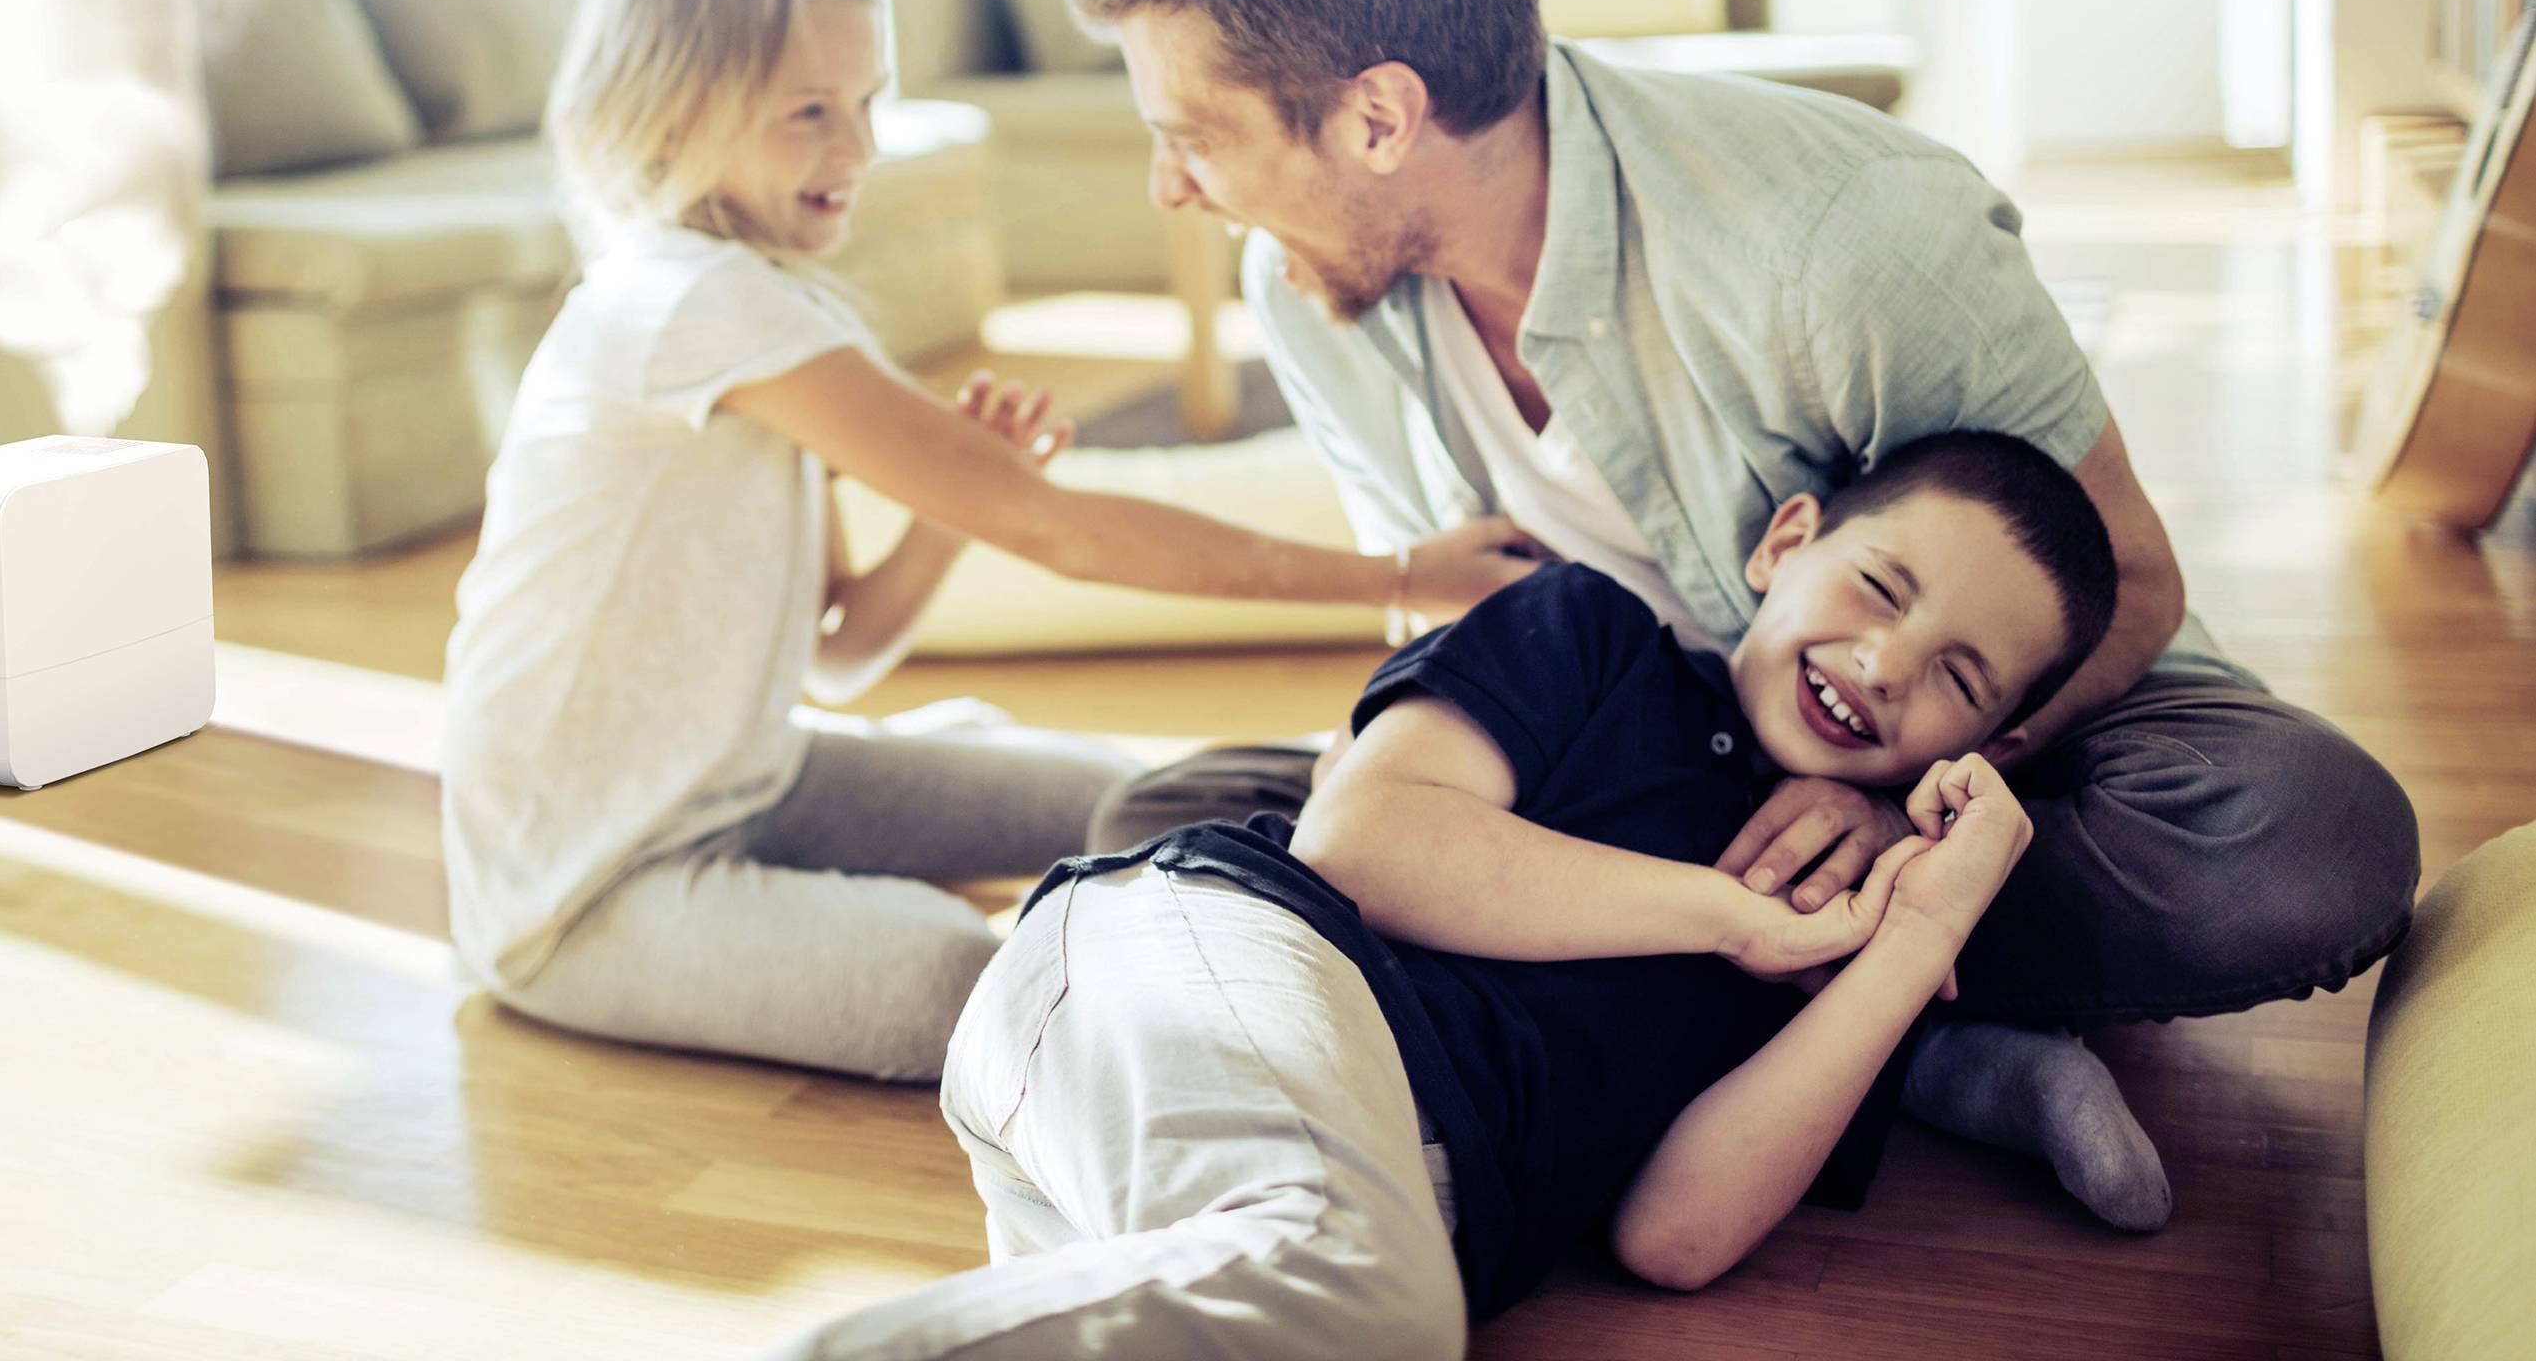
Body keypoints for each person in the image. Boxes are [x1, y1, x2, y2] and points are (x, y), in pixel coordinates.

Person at [1060, 0, 2420, 1227]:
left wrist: (1893, 801)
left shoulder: (1842, 237)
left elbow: (2127, 583)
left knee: (2304, 841)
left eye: (1192, 139)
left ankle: (1839, 992)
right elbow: (1463, 641)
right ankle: (1913, 1030)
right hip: (1628, 760)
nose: (1172, 187)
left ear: (1379, 116)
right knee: (1165, 823)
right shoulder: (1310, 292)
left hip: (1972, 731)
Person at [441, 0, 1539, 1082]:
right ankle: (1428, 1032)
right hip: (584, 888)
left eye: (865, 103)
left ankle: (1457, 883)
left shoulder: (758, 301)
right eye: (809, 111)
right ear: (669, 107)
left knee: (1152, 801)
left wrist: (951, 511)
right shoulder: (685, 302)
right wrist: (1403, 578)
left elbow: (840, 657)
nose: (855, 150)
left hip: (751, 780)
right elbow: (1060, 535)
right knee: (949, 977)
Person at [766, 431, 2116, 1360]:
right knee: (1384, 1308)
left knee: (1354, 1308)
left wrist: (1916, 933)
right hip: (1200, 962)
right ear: (1784, 542)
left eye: (1955, 678)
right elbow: (1368, 844)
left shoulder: (1851, 915)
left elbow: (1676, 1236)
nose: (1882, 664)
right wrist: (1728, 917)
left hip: (1256, 1185)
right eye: (1877, 588)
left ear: (1984, 747)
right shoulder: (1590, 637)